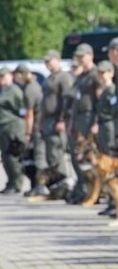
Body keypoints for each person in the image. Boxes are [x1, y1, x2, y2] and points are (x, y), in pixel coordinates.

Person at [28, 50, 74, 199]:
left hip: (56, 120)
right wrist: (40, 121)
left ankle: (63, 185)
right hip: (47, 120)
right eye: (46, 62)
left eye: (50, 61)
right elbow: (43, 103)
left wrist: (62, 119)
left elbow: (67, 100)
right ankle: (55, 186)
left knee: (56, 154)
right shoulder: (49, 79)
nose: (48, 64)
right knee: (49, 154)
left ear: (57, 60)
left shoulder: (64, 77)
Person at [0, 66, 28, 195]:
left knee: (13, 156)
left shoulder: (13, 90)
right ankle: (10, 182)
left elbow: (22, 109)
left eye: (3, 76)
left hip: (13, 126)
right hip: (4, 126)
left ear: (10, 76)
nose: (1, 79)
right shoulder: (4, 90)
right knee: (6, 157)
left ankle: (16, 183)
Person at [92, 60, 118, 156]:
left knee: (110, 151)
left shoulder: (112, 90)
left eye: (103, 73)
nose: (100, 76)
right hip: (102, 124)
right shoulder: (103, 91)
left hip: (109, 124)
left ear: (111, 73)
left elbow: (114, 110)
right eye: (98, 73)